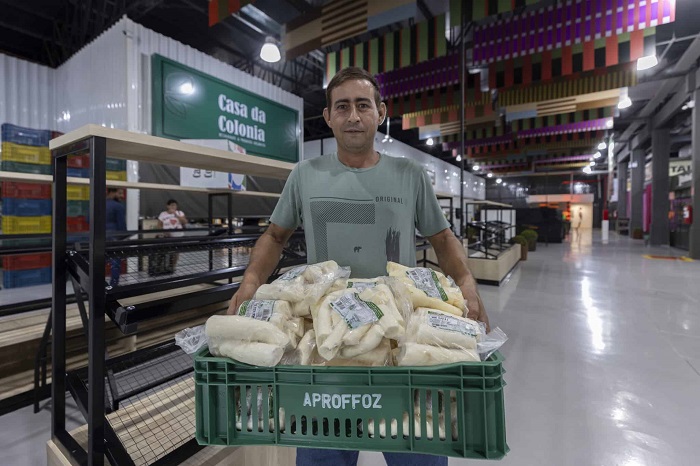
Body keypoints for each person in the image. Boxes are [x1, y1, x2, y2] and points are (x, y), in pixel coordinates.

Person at [226, 66, 489, 466]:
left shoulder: (409, 175)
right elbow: (275, 237)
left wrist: (466, 280)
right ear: (328, 117)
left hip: (399, 339)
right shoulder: (305, 175)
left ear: (381, 112)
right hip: (328, 343)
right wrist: (250, 281)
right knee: (323, 455)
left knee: (416, 453)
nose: (353, 116)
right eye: (342, 106)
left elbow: (442, 239)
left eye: (363, 105)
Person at [158, 199, 187, 268]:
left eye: (175, 205)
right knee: (164, 251)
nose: (174, 207)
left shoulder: (180, 213)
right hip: (167, 236)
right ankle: (161, 266)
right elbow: (159, 225)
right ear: (167, 206)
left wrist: (176, 215)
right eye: (172, 205)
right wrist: (163, 232)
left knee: (176, 252)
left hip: (178, 236)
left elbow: (185, 222)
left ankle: (173, 267)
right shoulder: (163, 214)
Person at [106, 188, 126, 286]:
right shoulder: (118, 206)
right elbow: (121, 226)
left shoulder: (96, 203)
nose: (122, 196)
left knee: (97, 262)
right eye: (120, 193)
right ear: (112, 192)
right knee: (115, 264)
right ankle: (113, 287)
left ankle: (95, 287)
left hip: (97, 237)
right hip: (114, 237)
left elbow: (88, 219)